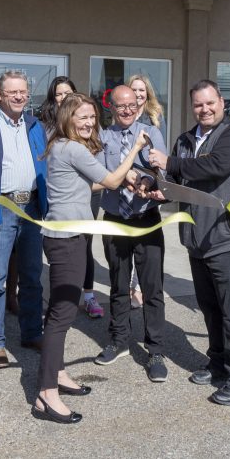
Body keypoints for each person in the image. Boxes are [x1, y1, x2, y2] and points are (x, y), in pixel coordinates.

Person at [35, 93, 149, 424]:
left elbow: (86, 186)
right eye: (82, 117)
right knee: (61, 314)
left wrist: (121, 178)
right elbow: (109, 180)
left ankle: (57, 375)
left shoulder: (64, 148)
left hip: (69, 234)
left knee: (61, 310)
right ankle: (46, 394)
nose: (89, 123)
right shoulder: (70, 147)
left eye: (92, 118)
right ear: (67, 118)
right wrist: (136, 150)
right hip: (66, 238)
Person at [149, 80, 230, 406]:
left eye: (210, 103)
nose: (205, 109)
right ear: (192, 106)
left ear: (222, 102)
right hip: (198, 239)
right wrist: (158, 186)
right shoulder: (186, 140)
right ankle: (219, 365)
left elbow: (216, 166)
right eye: (199, 104)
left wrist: (170, 164)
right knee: (211, 311)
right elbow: (176, 180)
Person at [0, 71, 48, 368]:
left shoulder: (35, 125)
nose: (18, 96)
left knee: (32, 276)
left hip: (32, 210)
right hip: (0, 209)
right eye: (12, 92)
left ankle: (31, 333)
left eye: (23, 92)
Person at [93, 85, 168, 383]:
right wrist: (125, 176)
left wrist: (147, 180)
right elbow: (100, 173)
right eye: (120, 105)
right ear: (110, 106)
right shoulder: (101, 137)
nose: (127, 110)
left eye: (132, 105)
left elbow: (160, 169)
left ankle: (156, 351)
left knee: (152, 287)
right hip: (115, 218)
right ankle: (119, 341)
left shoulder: (151, 132)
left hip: (146, 216)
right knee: (118, 283)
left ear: (139, 105)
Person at [39, 76, 105, 319]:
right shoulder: (49, 131)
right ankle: (61, 306)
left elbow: (102, 170)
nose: (63, 97)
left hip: (87, 194)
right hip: (62, 198)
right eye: (58, 94)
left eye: (68, 92)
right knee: (68, 250)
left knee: (83, 248)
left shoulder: (88, 128)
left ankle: (88, 296)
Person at [127, 73, 166, 306]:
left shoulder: (155, 118)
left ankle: (140, 287)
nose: (139, 94)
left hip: (147, 184)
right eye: (135, 89)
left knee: (146, 246)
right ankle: (131, 287)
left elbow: (160, 153)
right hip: (125, 183)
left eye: (142, 90)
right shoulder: (123, 114)